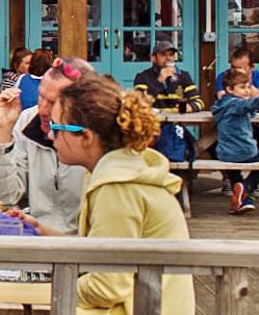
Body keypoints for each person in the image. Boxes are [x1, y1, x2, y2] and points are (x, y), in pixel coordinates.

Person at [17, 73, 195, 315]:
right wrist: (41, 230)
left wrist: (40, 291)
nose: (49, 136)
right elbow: (100, 251)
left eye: (57, 129)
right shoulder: (116, 169)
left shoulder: (117, 186)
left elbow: (106, 286)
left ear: (86, 137)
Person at [0, 56, 91, 234]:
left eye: (54, 102)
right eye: (41, 97)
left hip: (85, 247)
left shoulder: (95, 135)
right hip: (36, 238)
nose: (42, 109)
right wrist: (3, 132)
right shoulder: (28, 120)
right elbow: (4, 196)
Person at [211, 68, 259, 214]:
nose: (246, 91)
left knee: (234, 174)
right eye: (242, 87)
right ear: (229, 89)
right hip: (244, 150)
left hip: (224, 152)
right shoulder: (235, 104)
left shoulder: (220, 105)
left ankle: (242, 201)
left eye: (248, 87)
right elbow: (250, 105)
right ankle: (247, 186)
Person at [132, 41, 204, 162]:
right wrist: (159, 81)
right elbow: (140, 102)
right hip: (151, 127)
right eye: (163, 55)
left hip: (176, 126)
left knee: (194, 148)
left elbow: (199, 101)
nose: (168, 58)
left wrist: (188, 108)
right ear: (153, 58)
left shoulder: (183, 76)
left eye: (171, 55)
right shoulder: (143, 77)